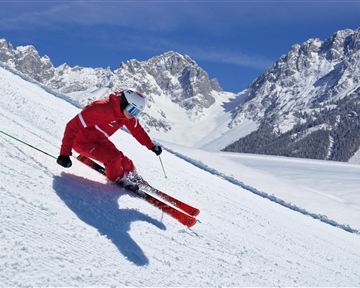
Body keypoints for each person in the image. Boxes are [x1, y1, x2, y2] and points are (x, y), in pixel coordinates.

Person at [56, 89, 162, 190]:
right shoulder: (101, 109)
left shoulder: (126, 114)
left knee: (126, 162)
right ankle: (119, 178)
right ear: (124, 102)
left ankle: (134, 177)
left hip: (100, 140)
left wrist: (152, 146)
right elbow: (72, 126)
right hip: (81, 142)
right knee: (113, 158)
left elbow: (137, 131)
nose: (133, 114)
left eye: (137, 112)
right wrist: (64, 154)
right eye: (132, 109)